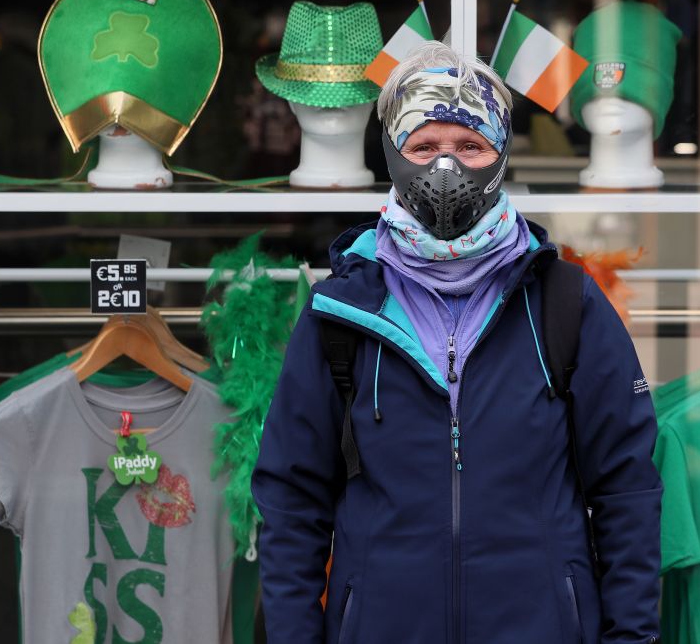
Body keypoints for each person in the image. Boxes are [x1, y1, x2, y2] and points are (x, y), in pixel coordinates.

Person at [252, 41, 661, 644]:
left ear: (500, 155)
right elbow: (292, 498)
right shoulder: (340, 311)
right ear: (393, 155)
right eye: (424, 147)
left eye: (470, 146)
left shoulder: (565, 302)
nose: (446, 169)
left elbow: (626, 488)